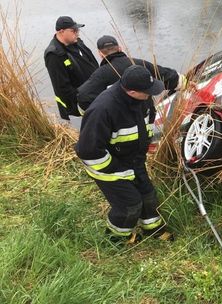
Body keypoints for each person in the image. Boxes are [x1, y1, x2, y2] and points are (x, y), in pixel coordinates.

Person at [75, 65, 173, 244]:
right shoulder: (102, 109)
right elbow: (88, 151)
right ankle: (117, 239)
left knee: (148, 194)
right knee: (130, 204)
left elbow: (148, 121)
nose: (152, 95)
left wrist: (147, 144)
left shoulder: (143, 99)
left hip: (134, 159)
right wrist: (116, 171)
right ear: (133, 92)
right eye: (148, 92)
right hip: (107, 167)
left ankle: (153, 229)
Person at [77, 35, 181, 112]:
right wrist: (185, 83)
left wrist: (97, 113)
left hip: (118, 122)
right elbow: (168, 76)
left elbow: (83, 97)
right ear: (120, 48)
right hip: (144, 116)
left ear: (100, 54)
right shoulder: (139, 64)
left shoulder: (100, 75)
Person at [44, 16, 98, 120]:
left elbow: (92, 62)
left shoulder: (77, 42)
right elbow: (62, 87)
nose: (77, 33)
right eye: (74, 30)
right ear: (61, 31)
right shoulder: (53, 54)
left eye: (77, 30)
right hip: (80, 102)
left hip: (94, 94)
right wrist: (83, 100)